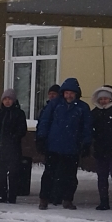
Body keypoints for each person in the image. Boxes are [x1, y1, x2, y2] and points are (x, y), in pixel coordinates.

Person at [35, 78, 91, 210]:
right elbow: (44, 121)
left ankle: (67, 199)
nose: (69, 96)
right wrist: (41, 138)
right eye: (67, 93)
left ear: (76, 93)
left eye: (71, 93)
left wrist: (86, 143)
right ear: (63, 93)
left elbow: (87, 127)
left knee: (70, 176)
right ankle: (44, 199)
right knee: (49, 174)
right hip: (53, 146)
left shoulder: (82, 108)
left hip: (72, 147)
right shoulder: (54, 105)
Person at [0, 90, 27, 204]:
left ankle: (12, 196)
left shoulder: (19, 113)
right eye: (5, 99)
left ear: (13, 100)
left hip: (13, 149)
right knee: (1, 173)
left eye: (9, 99)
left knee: (13, 173)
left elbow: (22, 130)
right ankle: (2, 195)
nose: (7, 101)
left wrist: (12, 138)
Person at [90, 85, 112, 211]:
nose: (103, 101)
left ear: (111, 98)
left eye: (106, 98)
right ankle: (103, 201)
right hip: (100, 149)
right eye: (101, 99)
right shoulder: (95, 113)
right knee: (102, 177)